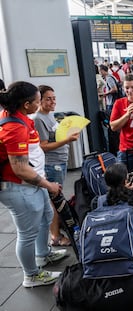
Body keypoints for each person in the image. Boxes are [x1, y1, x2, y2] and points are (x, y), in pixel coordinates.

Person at [0, 81, 66, 287]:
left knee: (46, 215)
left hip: (31, 185)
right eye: (38, 102)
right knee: (27, 233)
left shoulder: (20, 117)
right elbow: (20, 168)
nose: (40, 105)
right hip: (18, 187)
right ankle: (31, 275)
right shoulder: (13, 127)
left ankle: (43, 254)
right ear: (27, 104)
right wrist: (49, 185)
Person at [32, 85, 80, 247]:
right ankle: (56, 236)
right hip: (52, 165)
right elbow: (43, 146)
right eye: (48, 99)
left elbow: (54, 138)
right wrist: (67, 140)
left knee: (56, 199)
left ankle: (57, 230)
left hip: (59, 162)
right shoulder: (38, 119)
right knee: (54, 202)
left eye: (54, 98)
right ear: (39, 100)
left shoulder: (49, 116)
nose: (52, 101)